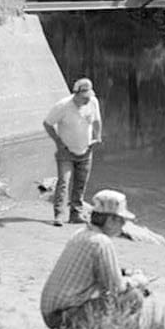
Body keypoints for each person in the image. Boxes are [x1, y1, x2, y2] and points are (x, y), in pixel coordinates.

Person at [39, 189, 149, 329]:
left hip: (52, 313)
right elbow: (116, 288)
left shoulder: (81, 233)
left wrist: (125, 273)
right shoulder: (102, 242)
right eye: (121, 220)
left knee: (116, 293)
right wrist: (137, 281)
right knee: (134, 297)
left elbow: (98, 272)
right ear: (110, 220)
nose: (123, 225)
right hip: (64, 316)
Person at [43, 77, 102, 225]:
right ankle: (59, 215)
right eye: (84, 98)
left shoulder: (93, 102)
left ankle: (75, 214)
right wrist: (58, 142)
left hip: (86, 150)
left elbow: (96, 121)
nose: (87, 100)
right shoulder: (63, 106)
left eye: (89, 96)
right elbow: (48, 124)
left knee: (81, 184)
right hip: (66, 152)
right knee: (64, 182)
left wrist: (98, 137)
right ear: (75, 94)